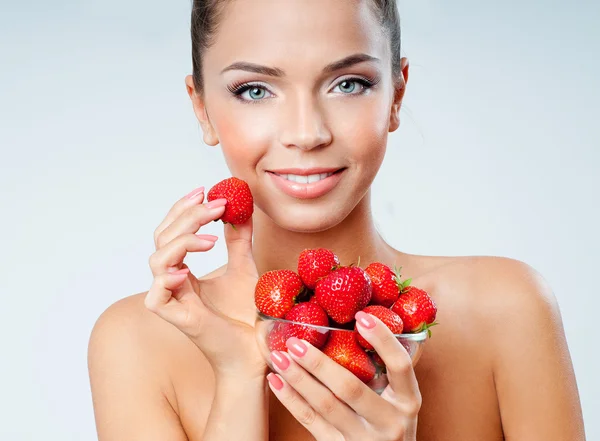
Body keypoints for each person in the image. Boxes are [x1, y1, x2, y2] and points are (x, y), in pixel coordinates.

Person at [87, 0, 586, 439]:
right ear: (202, 108)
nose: (306, 133)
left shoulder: (508, 309)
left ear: (396, 93)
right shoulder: (135, 342)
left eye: (349, 84)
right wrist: (238, 375)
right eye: (255, 90)